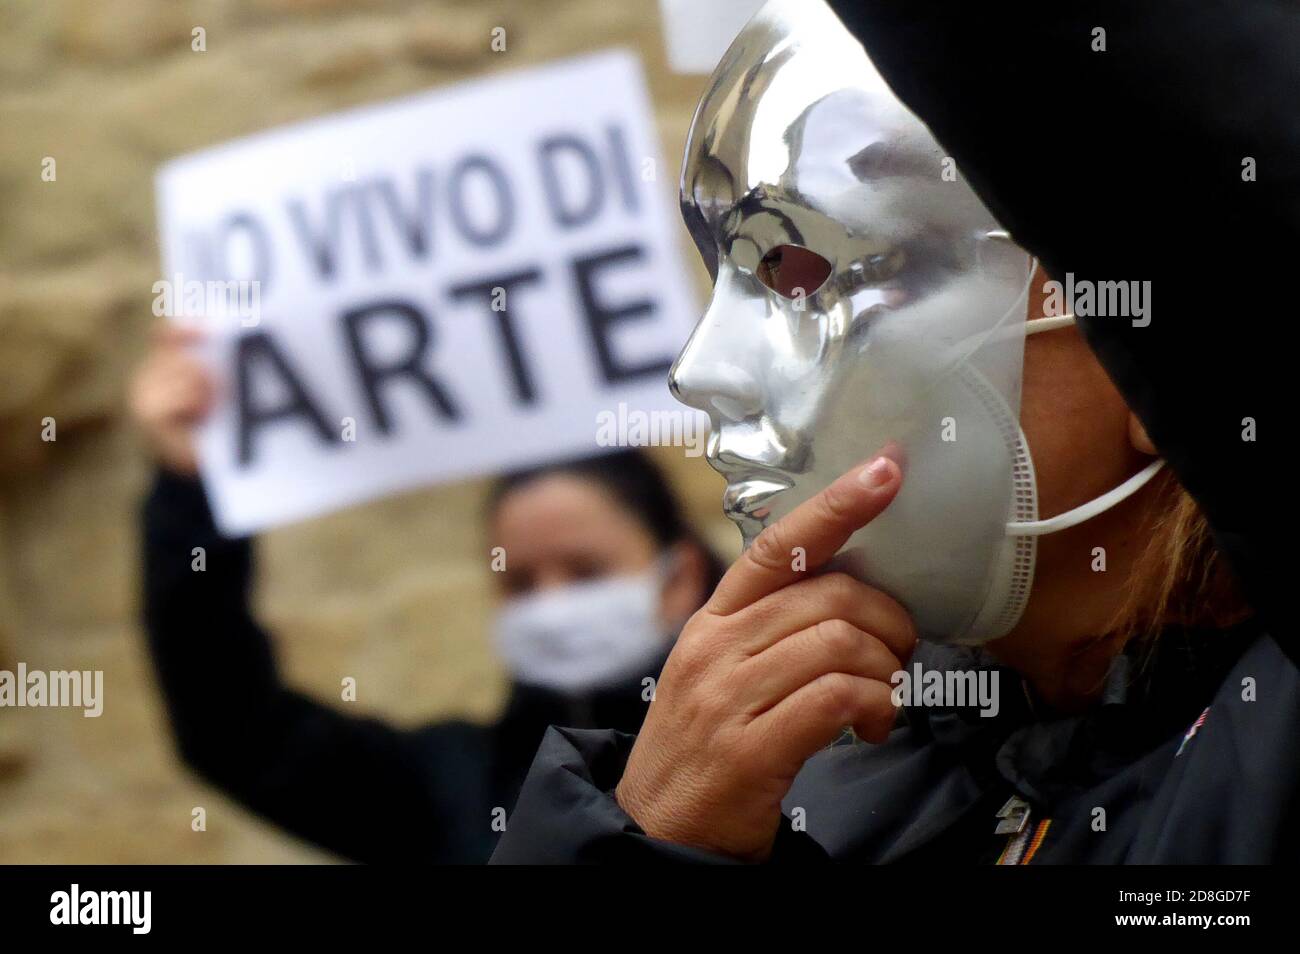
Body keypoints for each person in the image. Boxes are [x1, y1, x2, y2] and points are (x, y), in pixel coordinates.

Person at [490, 0, 1292, 864]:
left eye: (796, 272)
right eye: (724, 272)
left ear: (1150, 350)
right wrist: (655, 843)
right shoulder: (829, 783)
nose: (699, 371)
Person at [129, 326, 722, 863]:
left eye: (587, 573)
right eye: (519, 582)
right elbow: (237, 732)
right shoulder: (448, 787)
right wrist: (192, 491)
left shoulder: (765, 760)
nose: (552, 603)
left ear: (680, 578)